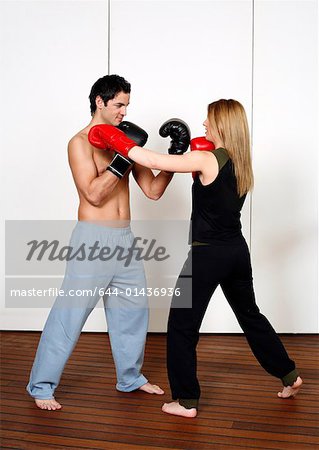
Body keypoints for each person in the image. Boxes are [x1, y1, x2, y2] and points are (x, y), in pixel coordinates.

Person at [87, 98, 303, 418]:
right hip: (236, 252)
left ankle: (186, 400)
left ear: (221, 125)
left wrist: (114, 137)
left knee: (182, 326)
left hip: (207, 254)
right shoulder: (239, 161)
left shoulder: (205, 159)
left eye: (208, 119)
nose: (203, 124)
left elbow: (149, 158)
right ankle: (289, 375)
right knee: (250, 316)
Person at [26, 74, 189, 410]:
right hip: (92, 241)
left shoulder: (124, 139)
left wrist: (176, 153)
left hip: (125, 240)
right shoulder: (80, 142)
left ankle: (130, 378)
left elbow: (153, 191)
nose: (123, 112)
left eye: (127, 105)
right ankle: (41, 385)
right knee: (69, 314)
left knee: (132, 313)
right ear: (99, 102)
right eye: (118, 104)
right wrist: (123, 157)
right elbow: (93, 195)